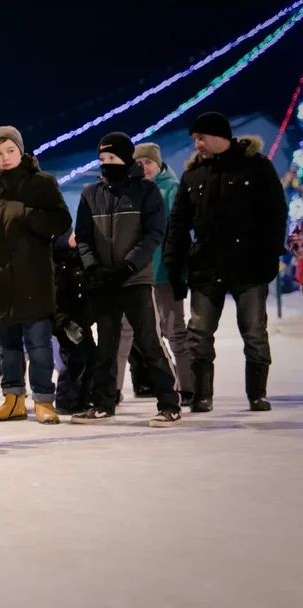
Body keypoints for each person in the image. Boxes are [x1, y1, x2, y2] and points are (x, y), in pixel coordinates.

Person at [164, 112, 288, 412]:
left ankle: (257, 394)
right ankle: (202, 395)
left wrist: (270, 256)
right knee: (199, 333)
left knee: (254, 332)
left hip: (249, 266)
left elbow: (276, 213)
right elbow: (178, 224)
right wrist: (174, 264)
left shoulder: (257, 166)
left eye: (201, 138)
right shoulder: (194, 175)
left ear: (220, 137)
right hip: (207, 267)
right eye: (195, 139)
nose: (198, 144)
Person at [73, 132, 181, 427]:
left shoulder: (146, 192)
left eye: (113, 158)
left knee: (148, 339)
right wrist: (93, 267)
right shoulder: (90, 194)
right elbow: (83, 236)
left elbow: (154, 234)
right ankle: (103, 403)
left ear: (126, 158)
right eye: (103, 159)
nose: (107, 163)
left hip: (135, 279)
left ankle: (169, 403)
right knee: (106, 343)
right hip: (104, 281)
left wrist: (129, 266)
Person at [0, 126, 72, 424]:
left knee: (38, 346)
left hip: (32, 279)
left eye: (10, 151)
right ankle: (13, 398)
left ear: (21, 151)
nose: (4, 157)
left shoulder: (42, 183)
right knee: (7, 347)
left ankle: (43, 400)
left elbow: (62, 220)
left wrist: (28, 216)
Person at [113, 142, 193, 407]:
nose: (144, 167)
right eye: (139, 163)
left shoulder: (171, 189)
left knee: (174, 331)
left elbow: (178, 232)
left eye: (148, 162)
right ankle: (112, 389)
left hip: (164, 272)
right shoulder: (130, 191)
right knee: (123, 333)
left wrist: (177, 269)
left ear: (158, 163)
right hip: (135, 272)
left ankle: (187, 387)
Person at [53, 229, 95, 415]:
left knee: (90, 356)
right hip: (65, 317)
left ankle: (83, 398)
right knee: (75, 357)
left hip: (79, 315)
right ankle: (66, 400)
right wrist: (62, 320)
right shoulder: (57, 261)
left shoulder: (78, 259)